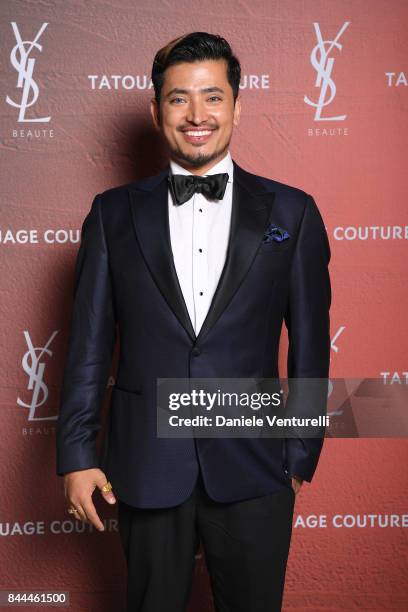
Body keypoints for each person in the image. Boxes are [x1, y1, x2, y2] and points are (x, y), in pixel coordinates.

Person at [56, 31, 331, 612]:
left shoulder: (292, 210)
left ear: (237, 105)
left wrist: (301, 450)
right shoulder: (112, 214)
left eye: (212, 96)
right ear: (157, 110)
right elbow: (87, 346)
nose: (197, 115)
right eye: (179, 98)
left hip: (256, 463)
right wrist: (78, 455)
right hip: (147, 460)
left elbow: (310, 342)